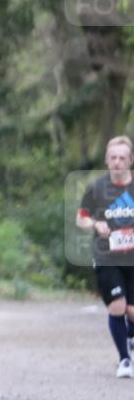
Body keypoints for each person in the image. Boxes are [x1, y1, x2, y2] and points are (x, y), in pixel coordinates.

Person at [75, 135, 134, 379]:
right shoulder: (97, 188)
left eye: (122, 158)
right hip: (107, 257)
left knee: (132, 311)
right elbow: (81, 217)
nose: (117, 162)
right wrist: (95, 225)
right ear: (107, 160)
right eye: (113, 158)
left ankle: (129, 338)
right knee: (118, 306)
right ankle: (124, 360)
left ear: (131, 160)